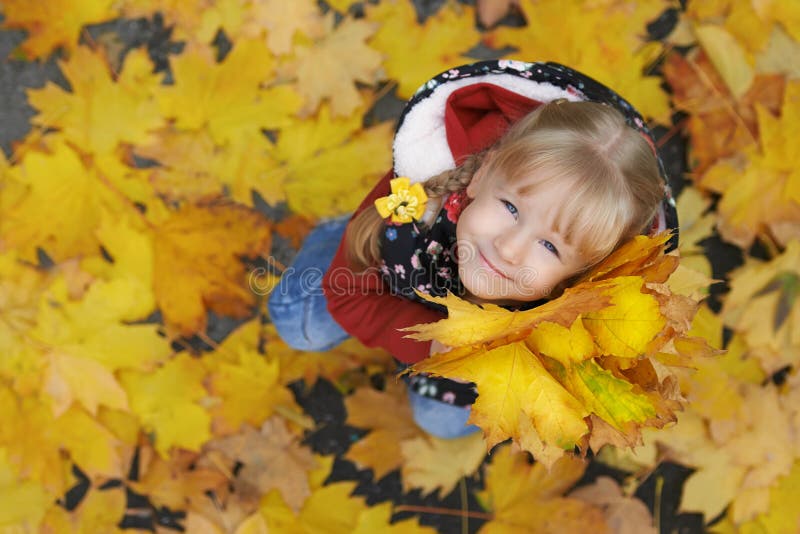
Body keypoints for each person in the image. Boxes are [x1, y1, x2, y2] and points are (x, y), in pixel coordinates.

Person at [268, 60, 679, 439]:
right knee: (300, 321)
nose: (510, 248)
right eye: (511, 207)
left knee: (442, 420)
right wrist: (427, 345)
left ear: (583, 274)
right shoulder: (417, 199)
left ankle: (435, 375)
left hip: (462, 360)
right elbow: (349, 294)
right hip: (384, 273)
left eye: (550, 246)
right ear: (482, 176)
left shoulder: (571, 325)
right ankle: (333, 234)